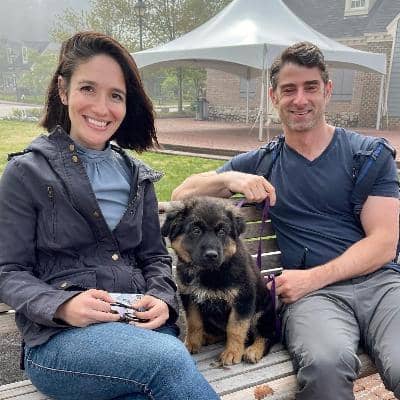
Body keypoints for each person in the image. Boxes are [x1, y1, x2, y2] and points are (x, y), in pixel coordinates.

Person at [172, 41, 400, 400]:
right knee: (325, 368)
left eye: (311, 87)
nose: (300, 99)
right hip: (316, 301)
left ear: (327, 90)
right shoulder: (264, 161)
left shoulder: (368, 156)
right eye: (289, 89)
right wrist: (232, 178)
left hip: (380, 286)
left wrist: (313, 277)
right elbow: (181, 193)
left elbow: (384, 244)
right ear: (273, 97)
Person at [0, 31, 219, 400]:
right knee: (169, 361)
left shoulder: (137, 176)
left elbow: (155, 258)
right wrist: (63, 305)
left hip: (141, 330)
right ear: (63, 90)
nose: (102, 108)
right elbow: (8, 271)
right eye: (88, 88)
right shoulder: (27, 173)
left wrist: (161, 299)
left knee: (152, 385)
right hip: (60, 341)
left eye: (115, 95)